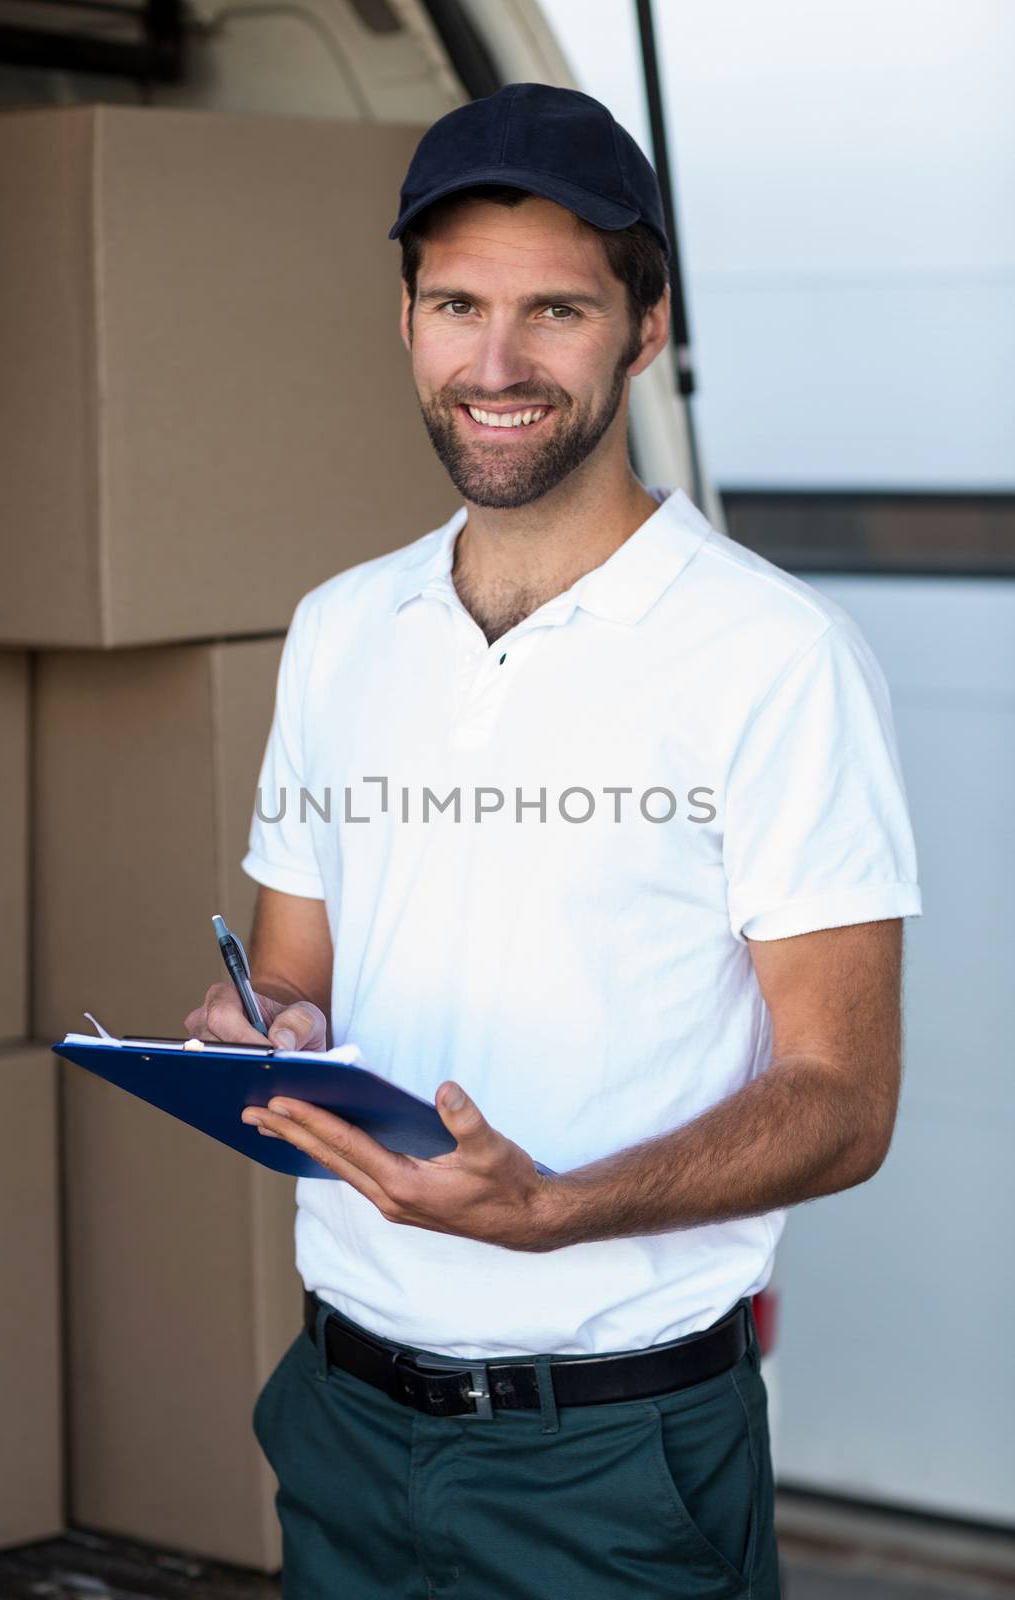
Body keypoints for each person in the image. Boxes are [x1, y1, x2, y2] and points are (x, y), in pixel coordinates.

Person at [185, 82, 922, 1600]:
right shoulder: (340, 632)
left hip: (612, 1454)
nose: (497, 364)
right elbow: (295, 971)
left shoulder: (773, 657)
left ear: (644, 331)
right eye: (457, 303)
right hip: (340, 1414)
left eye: (557, 312)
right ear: (404, 319)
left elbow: (844, 1103)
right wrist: (258, 1030)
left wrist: (554, 1212)